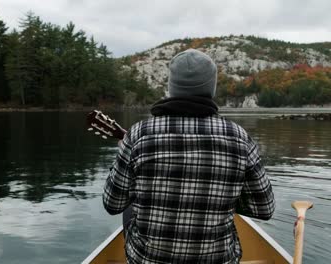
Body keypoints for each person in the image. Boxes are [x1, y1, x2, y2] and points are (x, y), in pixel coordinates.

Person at [103, 49, 275, 264]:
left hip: (146, 260)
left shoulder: (138, 134)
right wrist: (222, 198)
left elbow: (112, 204)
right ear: (211, 88)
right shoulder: (240, 137)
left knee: (128, 202)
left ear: (171, 87)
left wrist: (124, 154)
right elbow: (264, 209)